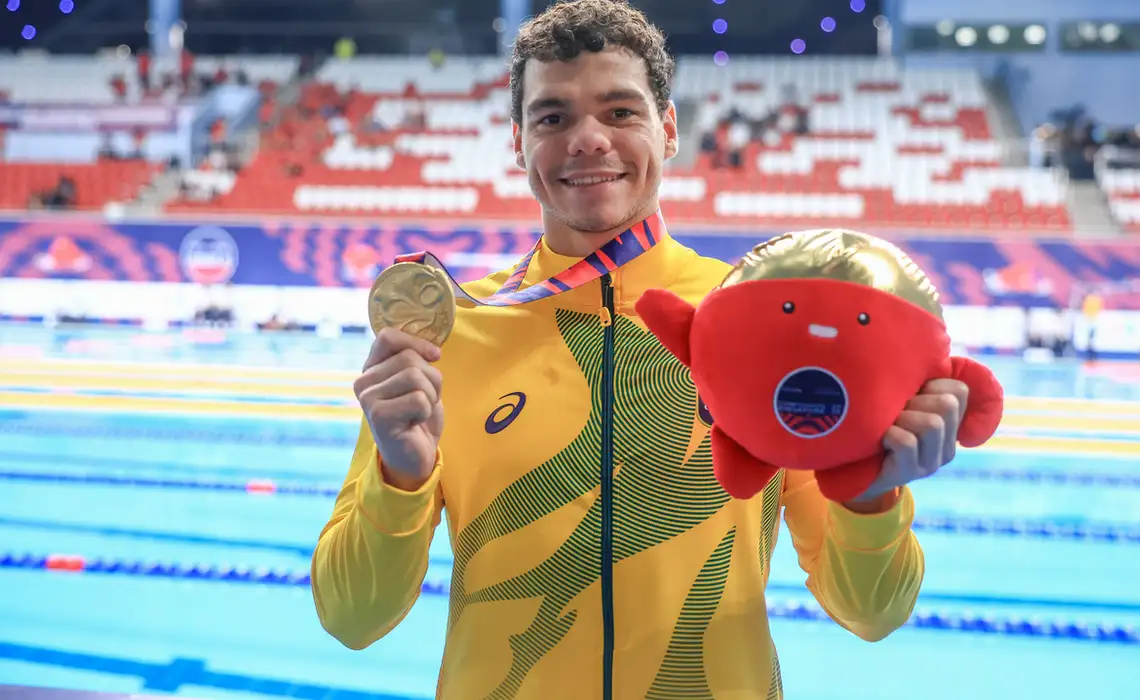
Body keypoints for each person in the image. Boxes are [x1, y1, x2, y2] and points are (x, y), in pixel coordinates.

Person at [311, 1, 970, 698]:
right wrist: (399, 478)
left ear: (670, 128)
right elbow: (352, 619)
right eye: (553, 116)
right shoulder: (448, 335)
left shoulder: (761, 332)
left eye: (620, 112)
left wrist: (872, 496)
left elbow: (872, 613)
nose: (587, 139)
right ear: (518, 141)